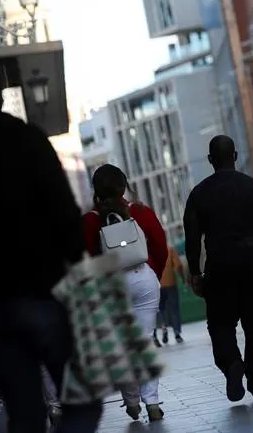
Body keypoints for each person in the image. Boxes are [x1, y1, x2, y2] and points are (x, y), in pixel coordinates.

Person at [0, 50, 103, 433]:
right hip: (38, 289)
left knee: (25, 409)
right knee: (84, 398)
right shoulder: (24, 138)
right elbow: (63, 211)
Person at [184, 135, 253, 402]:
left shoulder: (199, 193)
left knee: (220, 325)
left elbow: (192, 238)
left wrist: (194, 272)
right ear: (235, 156)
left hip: (220, 267)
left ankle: (231, 363)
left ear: (210, 160)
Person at [82, 164, 168, 421]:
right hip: (143, 279)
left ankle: (131, 400)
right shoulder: (140, 211)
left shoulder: (88, 221)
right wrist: (153, 273)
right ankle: (152, 402)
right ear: (124, 185)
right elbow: (160, 247)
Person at [154, 246, 185, 346]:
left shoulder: (149, 252)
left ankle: (163, 326)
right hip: (171, 283)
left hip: (156, 285)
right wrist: (182, 277)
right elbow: (179, 265)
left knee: (160, 309)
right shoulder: (169, 249)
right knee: (174, 309)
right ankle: (177, 333)